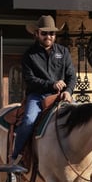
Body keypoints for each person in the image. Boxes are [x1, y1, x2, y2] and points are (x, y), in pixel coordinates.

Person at [8, 15, 77, 166]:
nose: (48, 36)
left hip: (61, 96)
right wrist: (51, 84)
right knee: (28, 121)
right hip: (37, 96)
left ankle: (86, 161)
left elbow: (72, 75)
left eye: (51, 33)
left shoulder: (63, 52)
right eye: (44, 33)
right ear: (37, 34)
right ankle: (16, 157)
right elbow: (30, 80)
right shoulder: (29, 55)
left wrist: (69, 91)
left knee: (81, 118)